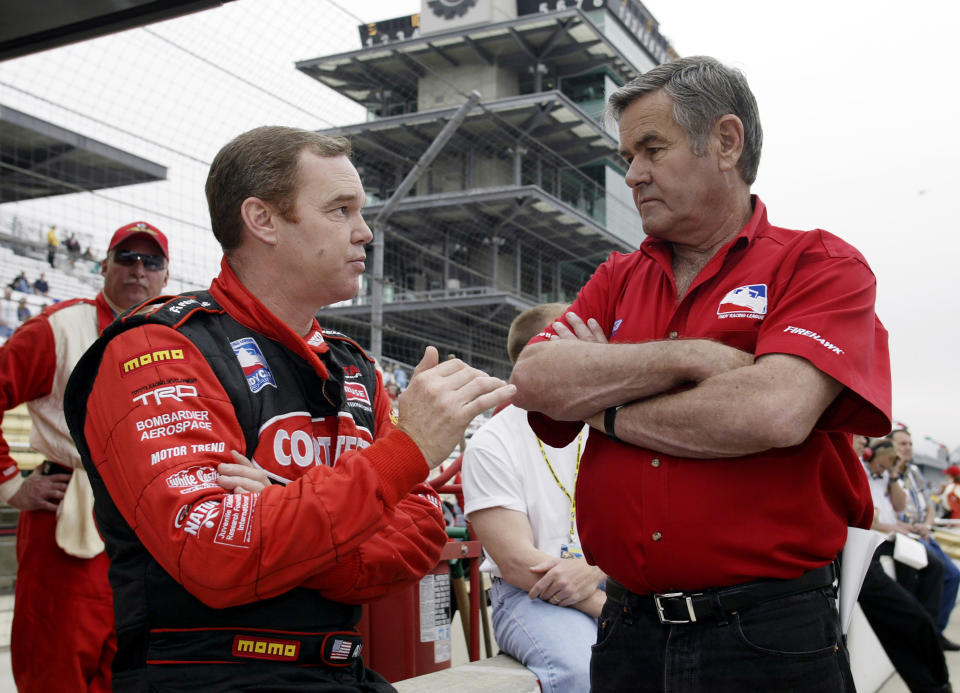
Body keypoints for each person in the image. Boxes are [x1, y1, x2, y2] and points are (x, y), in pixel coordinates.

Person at [63, 126, 515, 692]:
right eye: (340, 210)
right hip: (204, 673)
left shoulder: (355, 368)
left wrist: (286, 515)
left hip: (340, 669)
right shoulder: (158, 347)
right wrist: (406, 453)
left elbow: (420, 533)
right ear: (263, 220)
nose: (364, 231)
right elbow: (212, 551)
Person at [509, 56, 891, 693]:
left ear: (726, 141)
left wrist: (604, 405)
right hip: (627, 629)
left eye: (651, 148)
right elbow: (535, 379)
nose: (631, 174)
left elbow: (772, 411)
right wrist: (692, 359)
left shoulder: (819, 265)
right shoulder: (617, 277)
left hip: (767, 637)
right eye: (628, 153)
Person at [0, 221, 171, 692]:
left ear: (165, 275)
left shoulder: (175, 339)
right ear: (105, 266)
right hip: (68, 511)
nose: (138, 269)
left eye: (151, 261)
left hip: (146, 519)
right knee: (59, 653)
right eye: (127, 258)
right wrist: (10, 483)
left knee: (131, 660)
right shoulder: (58, 327)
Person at [463, 302, 604, 693]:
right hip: (532, 596)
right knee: (582, 670)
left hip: (611, 579)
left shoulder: (611, 423)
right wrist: (605, 607)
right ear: (536, 357)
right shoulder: (493, 442)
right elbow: (518, 565)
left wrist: (595, 573)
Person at [858, 438, 952, 693]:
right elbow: (869, 516)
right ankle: (936, 683)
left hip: (883, 542)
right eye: (858, 438)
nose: (860, 443)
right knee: (912, 622)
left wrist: (892, 475)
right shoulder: (858, 469)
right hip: (867, 549)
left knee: (936, 572)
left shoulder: (880, 475)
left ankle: (934, 682)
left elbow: (896, 507)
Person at [890, 428, 960, 649]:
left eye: (909, 443)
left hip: (924, 534)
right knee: (934, 575)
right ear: (889, 447)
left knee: (953, 575)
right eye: (902, 444)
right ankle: (924, 635)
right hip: (905, 536)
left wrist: (928, 526)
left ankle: (935, 632)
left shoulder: (914, 471)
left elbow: (929, 507)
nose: (908, 447)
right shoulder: (886, 473)